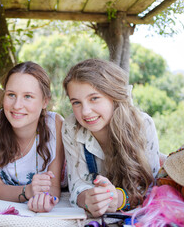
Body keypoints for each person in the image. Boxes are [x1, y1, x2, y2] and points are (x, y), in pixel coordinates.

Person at [62, 59, 160, 217]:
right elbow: (77, 184)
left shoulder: (143, 124)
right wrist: (88, 199)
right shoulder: (71, 126)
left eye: (94, 98)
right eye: (76, 102)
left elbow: (151, 187)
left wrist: (120, 199)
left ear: (113, 96)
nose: (85, 111)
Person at [0, 61, 64, 213]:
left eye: (28, 96)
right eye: (11, 95)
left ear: (45, 101)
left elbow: (54, 186)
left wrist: (44, 200)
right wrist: (28, 191)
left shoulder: (55, 124)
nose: (17, 105)